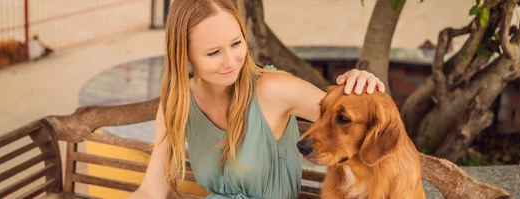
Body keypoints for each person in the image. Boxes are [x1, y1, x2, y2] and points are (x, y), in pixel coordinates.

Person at [128, 0, 385, 198]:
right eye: (214, 52)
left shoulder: (273, 90)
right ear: (185, 54)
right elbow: (151, 190)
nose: (231, 61)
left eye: (236, 43)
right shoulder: (178, 101)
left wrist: (361, 82)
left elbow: (352, 118)